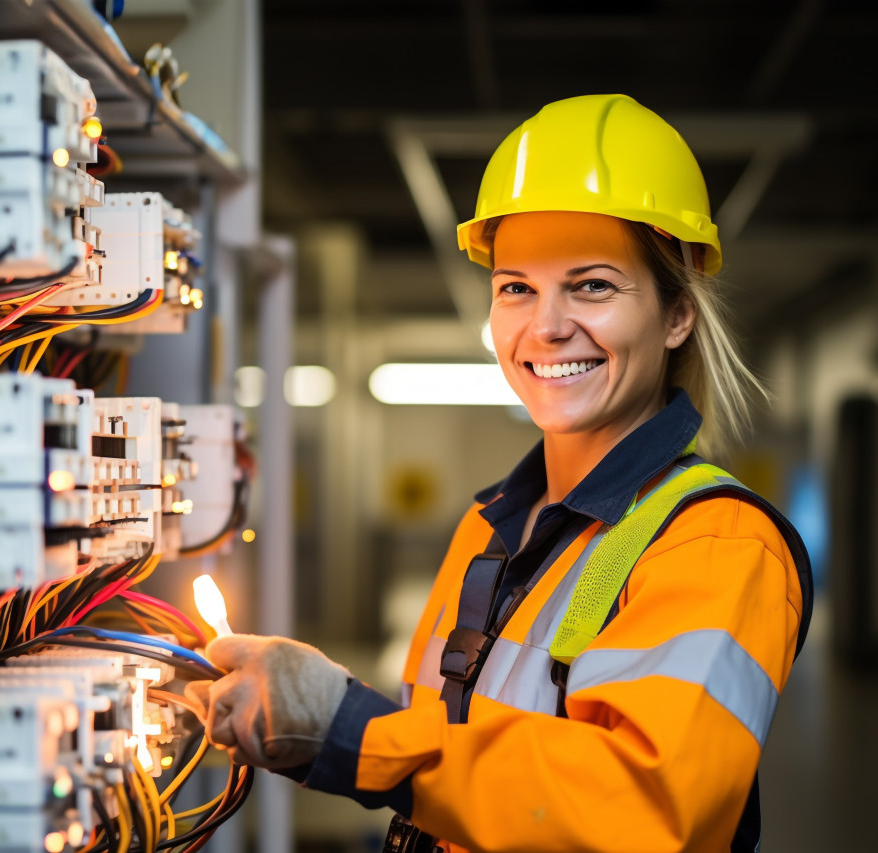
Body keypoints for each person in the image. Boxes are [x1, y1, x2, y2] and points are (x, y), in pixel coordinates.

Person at [185, 94, 813, 853]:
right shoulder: (488, 530)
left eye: (593, 285)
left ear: (678, 314)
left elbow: (643, 815)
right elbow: (453, 767)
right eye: (517, 286)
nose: (545, 326)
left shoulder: (717, 543)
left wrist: (350, 728)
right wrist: (312, 716)